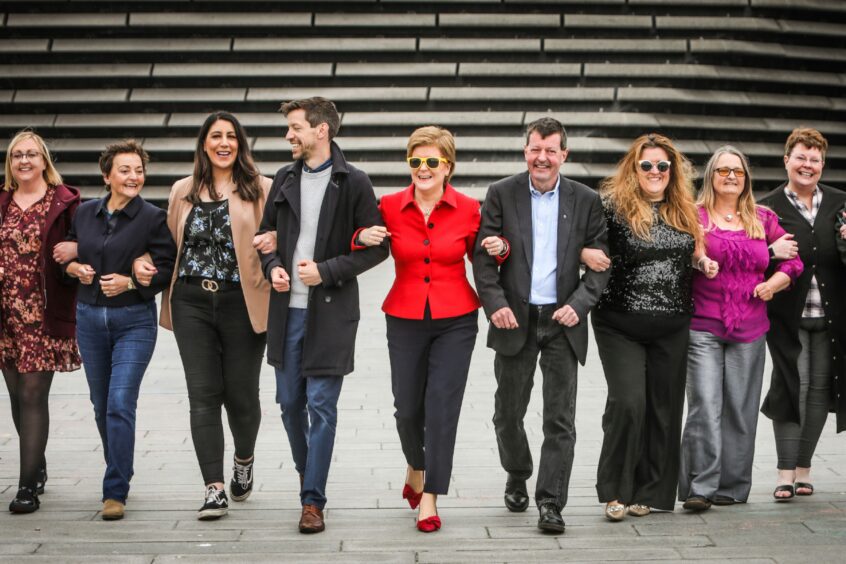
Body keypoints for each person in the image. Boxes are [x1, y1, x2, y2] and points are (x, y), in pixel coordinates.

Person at [473, 117, 610, 533]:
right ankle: (518, 471)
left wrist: (580, 304)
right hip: (515, 319)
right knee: (506, 414)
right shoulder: (501, 194)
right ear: (525, 151)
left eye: (551, 150)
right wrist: (494, 304)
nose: (542, 157)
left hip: (561, 320)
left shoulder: (586, 200)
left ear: (563, 155)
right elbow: (483, 255)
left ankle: (551, 501)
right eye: (536, 148)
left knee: (559, 419)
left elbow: (601, 264)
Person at [134, 112, 274, 520]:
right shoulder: (183, 189)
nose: (224, 143)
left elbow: (280, 233)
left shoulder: (260, 188)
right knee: (203, 395)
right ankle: (213, 488)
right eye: (216, 136)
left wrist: (276, 241)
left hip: (242, 302)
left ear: (241, 144)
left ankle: (243, 461)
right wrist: (143, 259)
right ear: (204, 144)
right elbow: (165, 243)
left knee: (242, 396)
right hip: (191, 300)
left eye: (231, 136)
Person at [258, 97, 388, 534]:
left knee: (321, 406)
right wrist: (273, 265)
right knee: (289, 404)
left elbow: (378, 247)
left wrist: (326, 272)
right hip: (286, 312)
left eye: (295, 127)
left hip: (330, 312)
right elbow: (265, 236)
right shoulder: (283, 178)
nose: (288, 136)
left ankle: (313, 500)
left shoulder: (354, 182)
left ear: (321, 131)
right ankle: (309, 472)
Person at [355, 126, 494, 532]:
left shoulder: (469, 208)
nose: (423, 168)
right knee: (406, 408)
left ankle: (430, 496)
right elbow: (368, 241)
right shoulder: (390, 205)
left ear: (447, 166)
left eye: (432, 161)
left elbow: (482, 258)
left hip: (456, 319)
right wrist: (360, 235)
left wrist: (497, 249)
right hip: (404, 316)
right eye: (415, 161)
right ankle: (416, 464)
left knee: (441, 406)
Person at [677, 146, 803, 510]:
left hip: (750, 328)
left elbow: (794, 263)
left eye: (738, 171)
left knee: (740, 408)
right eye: (723, 171)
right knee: (704, 404)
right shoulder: (695, 216)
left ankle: (731, 487)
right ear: (711, 177)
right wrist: (701, 262)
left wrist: (773, 283)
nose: (731, 176)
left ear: (745, 179)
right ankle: (700, 487)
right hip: (704, 325)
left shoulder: (762, 218)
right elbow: (689, 251)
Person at [590, 133, 702, 521]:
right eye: (647, 165)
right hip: (619, 321)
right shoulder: (611, 208)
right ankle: (616, 490)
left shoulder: (686, 211)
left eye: (662, 166)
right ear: (633, 169)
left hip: (672, 323)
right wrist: (584, 252)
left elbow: (696, 251)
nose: (655, 172)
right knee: (628, 402)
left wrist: (703, 260)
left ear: (673, 171)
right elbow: (578, 240)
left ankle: (650, 491)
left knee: (664, 408)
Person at [65, 140, 176, 520]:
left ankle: (115, 491)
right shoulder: (83, 214)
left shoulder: (152, 218)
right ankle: (121, 466)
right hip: (89, 319)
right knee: (100, 405)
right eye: (125, 170)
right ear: (107, 175)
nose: (134, 177)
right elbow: (68, 254)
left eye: (139, 170)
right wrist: (74, 269)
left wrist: (131, 282)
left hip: (134, 321)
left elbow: (166, 267)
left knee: (118, 402)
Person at [759, 128, 846, 501]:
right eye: (801, 157)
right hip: (786, 317)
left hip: (832, 318)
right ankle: (783, 472)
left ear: (822, 165)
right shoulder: (766, 207)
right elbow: (752, 259)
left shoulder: (841, 204)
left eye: (814, 159)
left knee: (820, 390)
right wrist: (770, 250)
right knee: (792, 386)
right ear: (787, 160)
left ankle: (803, 469)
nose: (807, 165)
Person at [1, 131, 81, 513]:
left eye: (31, 154)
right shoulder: (1, 201)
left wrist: (77, 248)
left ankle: (26, 486)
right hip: (5, 313)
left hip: (42, 312)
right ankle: (38, 463)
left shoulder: (64, 201)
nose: (24, 161)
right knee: (17, 396)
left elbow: (89, 237)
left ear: (44, 160)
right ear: (10, 164)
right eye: (17, 155)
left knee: (33, 394)